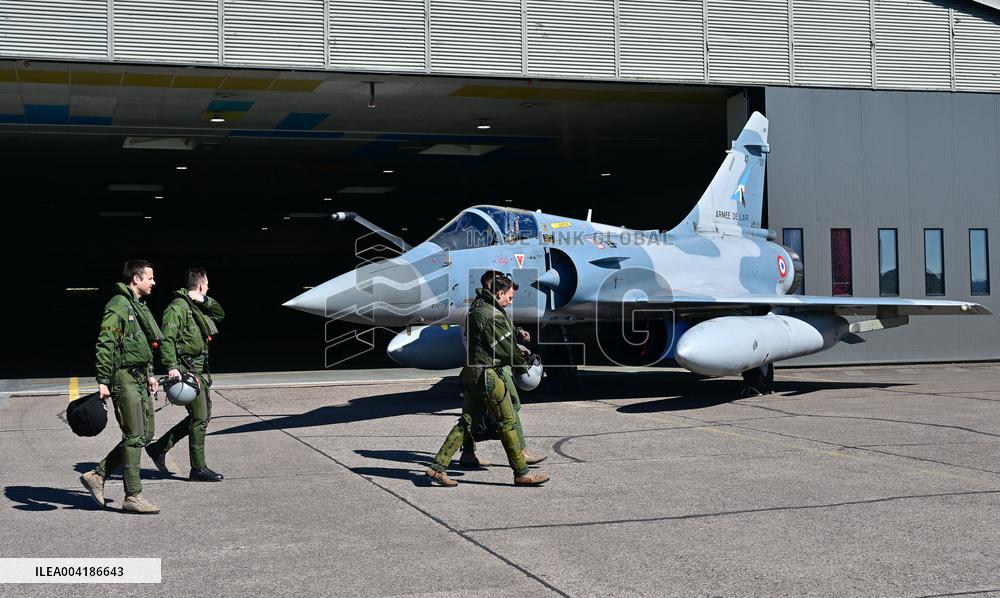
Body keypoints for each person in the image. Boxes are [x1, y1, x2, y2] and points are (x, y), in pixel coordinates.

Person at [425, 272, 549, 487]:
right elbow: (507, 351)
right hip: (489, 376)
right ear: (500, 293)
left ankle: (438, 467)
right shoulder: (492, 314)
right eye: (510, 297)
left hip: (472, 373)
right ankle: (522, 472)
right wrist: (524, 367)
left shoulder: (478, 307)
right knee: (508, 423)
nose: (511, 301)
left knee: (467, 423)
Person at [80, 260, 164, 514]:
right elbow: (105, 343)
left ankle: (98, 475)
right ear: (136, 279)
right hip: (123, 378)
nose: (154, 282)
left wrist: (150, 373)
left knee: (146, 434)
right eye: (150, 277)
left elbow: (142, 344)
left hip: (139, 377)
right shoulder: (118, 305)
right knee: (135, 434)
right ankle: (133, 496)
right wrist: (103, 380)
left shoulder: (138, 306)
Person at [458, 271, 547, 467]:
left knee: (471, 415)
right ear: (494, 288)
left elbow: (503, 326)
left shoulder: (485, 307)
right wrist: (521, 365)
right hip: (491, 367)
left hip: (480, 368)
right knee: (510, 407)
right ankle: (520, 457)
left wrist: (516, 333)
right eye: (500, 284)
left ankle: (465, 454)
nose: (508, 297)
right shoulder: (484, 310)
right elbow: (495, 337)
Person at [146, 268, 225, 482]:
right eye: (206, 286)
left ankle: (159, 447)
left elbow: (220, 314)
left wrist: (205, 299)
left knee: (201, 416)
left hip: (198, 369)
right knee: (200, 418)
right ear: (200, 285)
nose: (207, 288)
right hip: (187, 369)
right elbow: (167, 339)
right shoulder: (178, 308)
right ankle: (198, 468)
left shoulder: (197, 306)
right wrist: (171, 365)